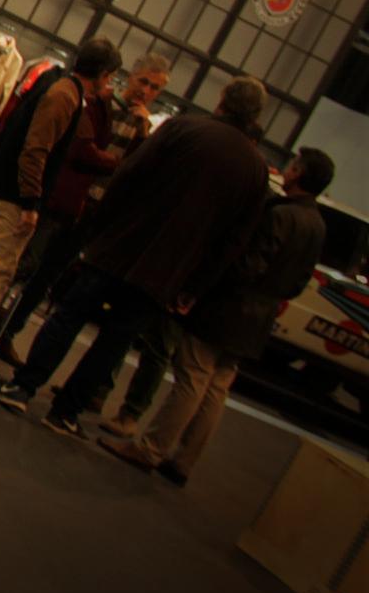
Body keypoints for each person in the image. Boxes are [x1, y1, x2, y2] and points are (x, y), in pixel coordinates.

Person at [0, 77, 271, 438]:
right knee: (114, 342)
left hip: (120, 247)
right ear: (255, 115)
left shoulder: (182, 129)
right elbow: (234, 241)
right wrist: (194, 286)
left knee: (69, 317)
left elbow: (128, 175)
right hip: (168, 272)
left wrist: (99, 229)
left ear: (222, 100)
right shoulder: (255, 171)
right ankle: (66, 412)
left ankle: (23, 387)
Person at [99, 149, 332, 484]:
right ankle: (183, 461)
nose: (287, 169)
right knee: (218, 386)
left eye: (293, 165)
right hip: (259, 318)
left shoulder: (280, 214)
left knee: (192, 377)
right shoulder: (317, 225)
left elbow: (249, 265)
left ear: (298, 173)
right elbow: (298, 282)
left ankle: (150, 448)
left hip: (229, 308)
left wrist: (204, 287)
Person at [0, 54, 170, 368]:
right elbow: (82, 151)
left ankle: (7, 332)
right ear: (131, 77)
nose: (146, 91)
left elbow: (140, 169)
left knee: (47, 277)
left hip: (93, 213)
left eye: (154, 88)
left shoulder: (142, 124)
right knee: (25, 265)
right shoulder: (100, 103)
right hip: (64, 200)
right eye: (143, 82)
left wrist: (143, 130)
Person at [0, 37, 121, 303]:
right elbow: (36, 149)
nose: (109, 83)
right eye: (111, 77)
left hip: (2, 186)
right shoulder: (65, 96)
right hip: (14, 196)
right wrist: (31, 203)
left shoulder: (59, 84)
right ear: (104, 74)